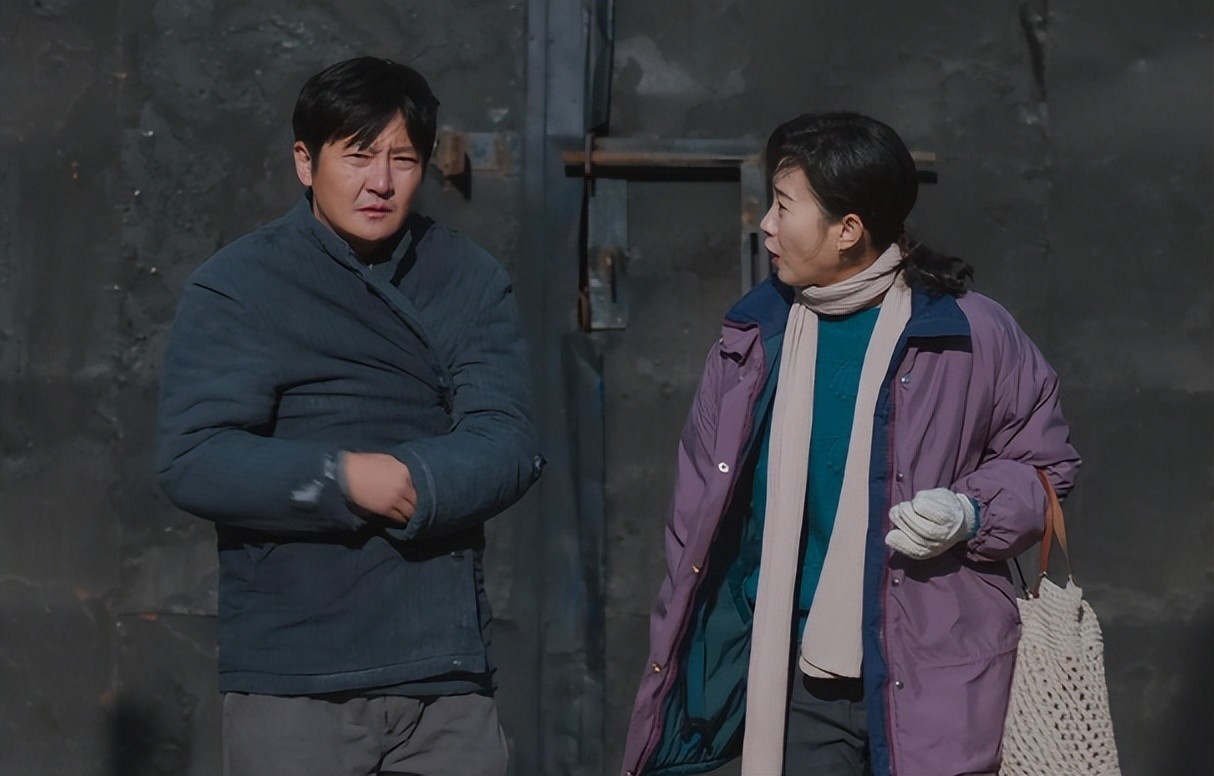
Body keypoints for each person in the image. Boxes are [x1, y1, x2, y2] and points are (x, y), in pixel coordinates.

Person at [620, 112, 1080, 776]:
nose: (766, 225)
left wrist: (972, 511)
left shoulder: (970, 332)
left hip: (937, 673)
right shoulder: (753, 338)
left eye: (784, 206)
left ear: (848, 230)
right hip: (797, 674)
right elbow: (696, 514)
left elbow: (1044, 467)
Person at [155, 56, 543, 776]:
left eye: (403, 159)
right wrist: (342, 480)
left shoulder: (467, 277)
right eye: (359, 156)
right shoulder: (240, 286)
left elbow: (508, 440)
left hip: (443, 668)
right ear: (306, 162)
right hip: (295, 672)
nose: (381, 182)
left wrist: (417, 479)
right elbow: (196, 458)